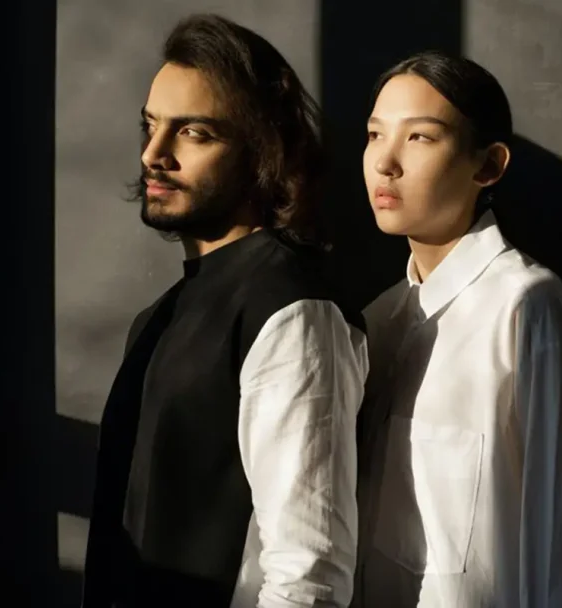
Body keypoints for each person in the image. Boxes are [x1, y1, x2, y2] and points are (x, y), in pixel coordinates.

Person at [82, 14, 368, 608]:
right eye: (151, 126)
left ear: (261, 151)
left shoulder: (291, 309)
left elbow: (308, 574)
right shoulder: (160, 315)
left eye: (194, 133)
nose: (154, 154)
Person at [352, 51, 562, 607]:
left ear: (489, 165)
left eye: (419, 137)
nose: (386, 163)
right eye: (375, 135)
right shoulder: (380, 318)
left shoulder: (526, 307)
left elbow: (561, 535)